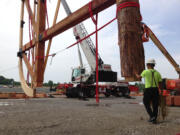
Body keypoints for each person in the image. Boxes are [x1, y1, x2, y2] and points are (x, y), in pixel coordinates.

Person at [136, 59, 162, 124]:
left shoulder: (145, 72)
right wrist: (160, 90)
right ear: (153, 65)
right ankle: (154, 119)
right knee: (155, 105)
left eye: (147, 64)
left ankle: (152, 116)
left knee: (146, 103)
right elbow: (160, 83)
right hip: (155, 90)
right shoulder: (158, 73)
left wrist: (136, 74)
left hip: (148, 90)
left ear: (148, 65)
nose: (146, 66)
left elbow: (139, 77)